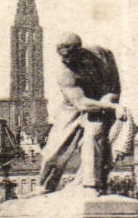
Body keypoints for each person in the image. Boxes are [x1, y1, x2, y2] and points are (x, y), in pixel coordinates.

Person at [38, 32, 124, 191]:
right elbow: (81, 104)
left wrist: (111, 98)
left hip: (101, 104)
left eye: (70, 56)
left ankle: (91, 184)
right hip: (73, 108)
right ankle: (44, 186)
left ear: (79, 50)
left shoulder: (100, 55)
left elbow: (113, 83)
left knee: (93, 137)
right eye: (63, 57)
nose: (67, 61)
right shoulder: (64, 72)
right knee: (54, 152)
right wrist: (112, 107)